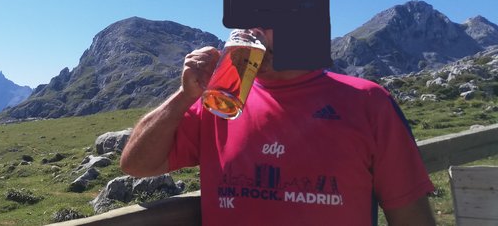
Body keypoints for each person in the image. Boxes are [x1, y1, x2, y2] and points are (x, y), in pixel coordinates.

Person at [120, 28, 436, 226]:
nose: (253, 31)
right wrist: (184, 95)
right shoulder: (218, 103)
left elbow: (410, 215)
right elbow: (136, 164)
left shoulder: (368, 101)